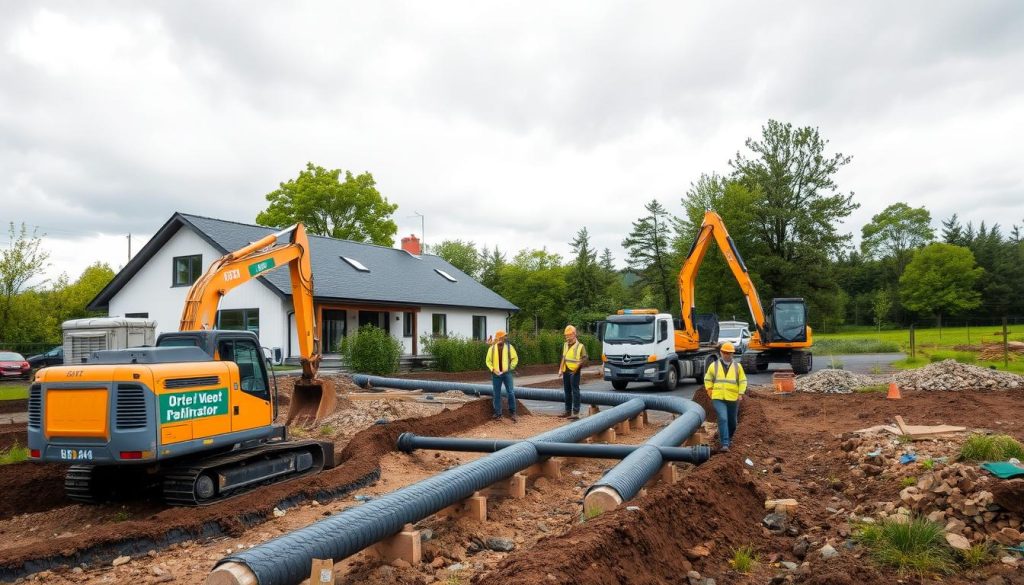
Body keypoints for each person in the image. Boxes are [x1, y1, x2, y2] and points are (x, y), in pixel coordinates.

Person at [703, 342, 747, 452]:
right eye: (725, 353)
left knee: (732, 422)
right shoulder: (714, 366)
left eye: (730, 353)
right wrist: (709, 389)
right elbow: (708, 379)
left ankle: (728, 437)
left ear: (733, 354)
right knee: (723, 418)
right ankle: (725, 444)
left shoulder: (738, 367)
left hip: (733, 398)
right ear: (721, 353)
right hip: (718, 398)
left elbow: (742, 381)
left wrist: (740, 393)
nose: (727, 355)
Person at [485, 329, 519, 422]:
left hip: (507, 373)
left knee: (510, 392)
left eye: (505, 336)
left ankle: (512, 412)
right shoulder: (491, 349)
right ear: (500, 338)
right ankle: (498, 413)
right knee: (496, 394)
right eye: (504, 336)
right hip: (496, 374)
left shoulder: (509, 347)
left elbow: (515, 358)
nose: (505, 338)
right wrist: (493, 369)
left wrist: (509, 368)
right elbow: (488, 361)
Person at [558, 325, 588, 419]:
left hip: (575, 371)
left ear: (574, 334)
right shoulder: (565, 344)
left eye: (569, 335)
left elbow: (585, 358)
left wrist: (577, 368)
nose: (567, 337)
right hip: (566, 370)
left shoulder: (580, 346)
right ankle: (567, 411)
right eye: (566, 336)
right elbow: (564, 357)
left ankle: (576, 412)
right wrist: (560, 369)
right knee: (567, 391)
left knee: (575, 391)